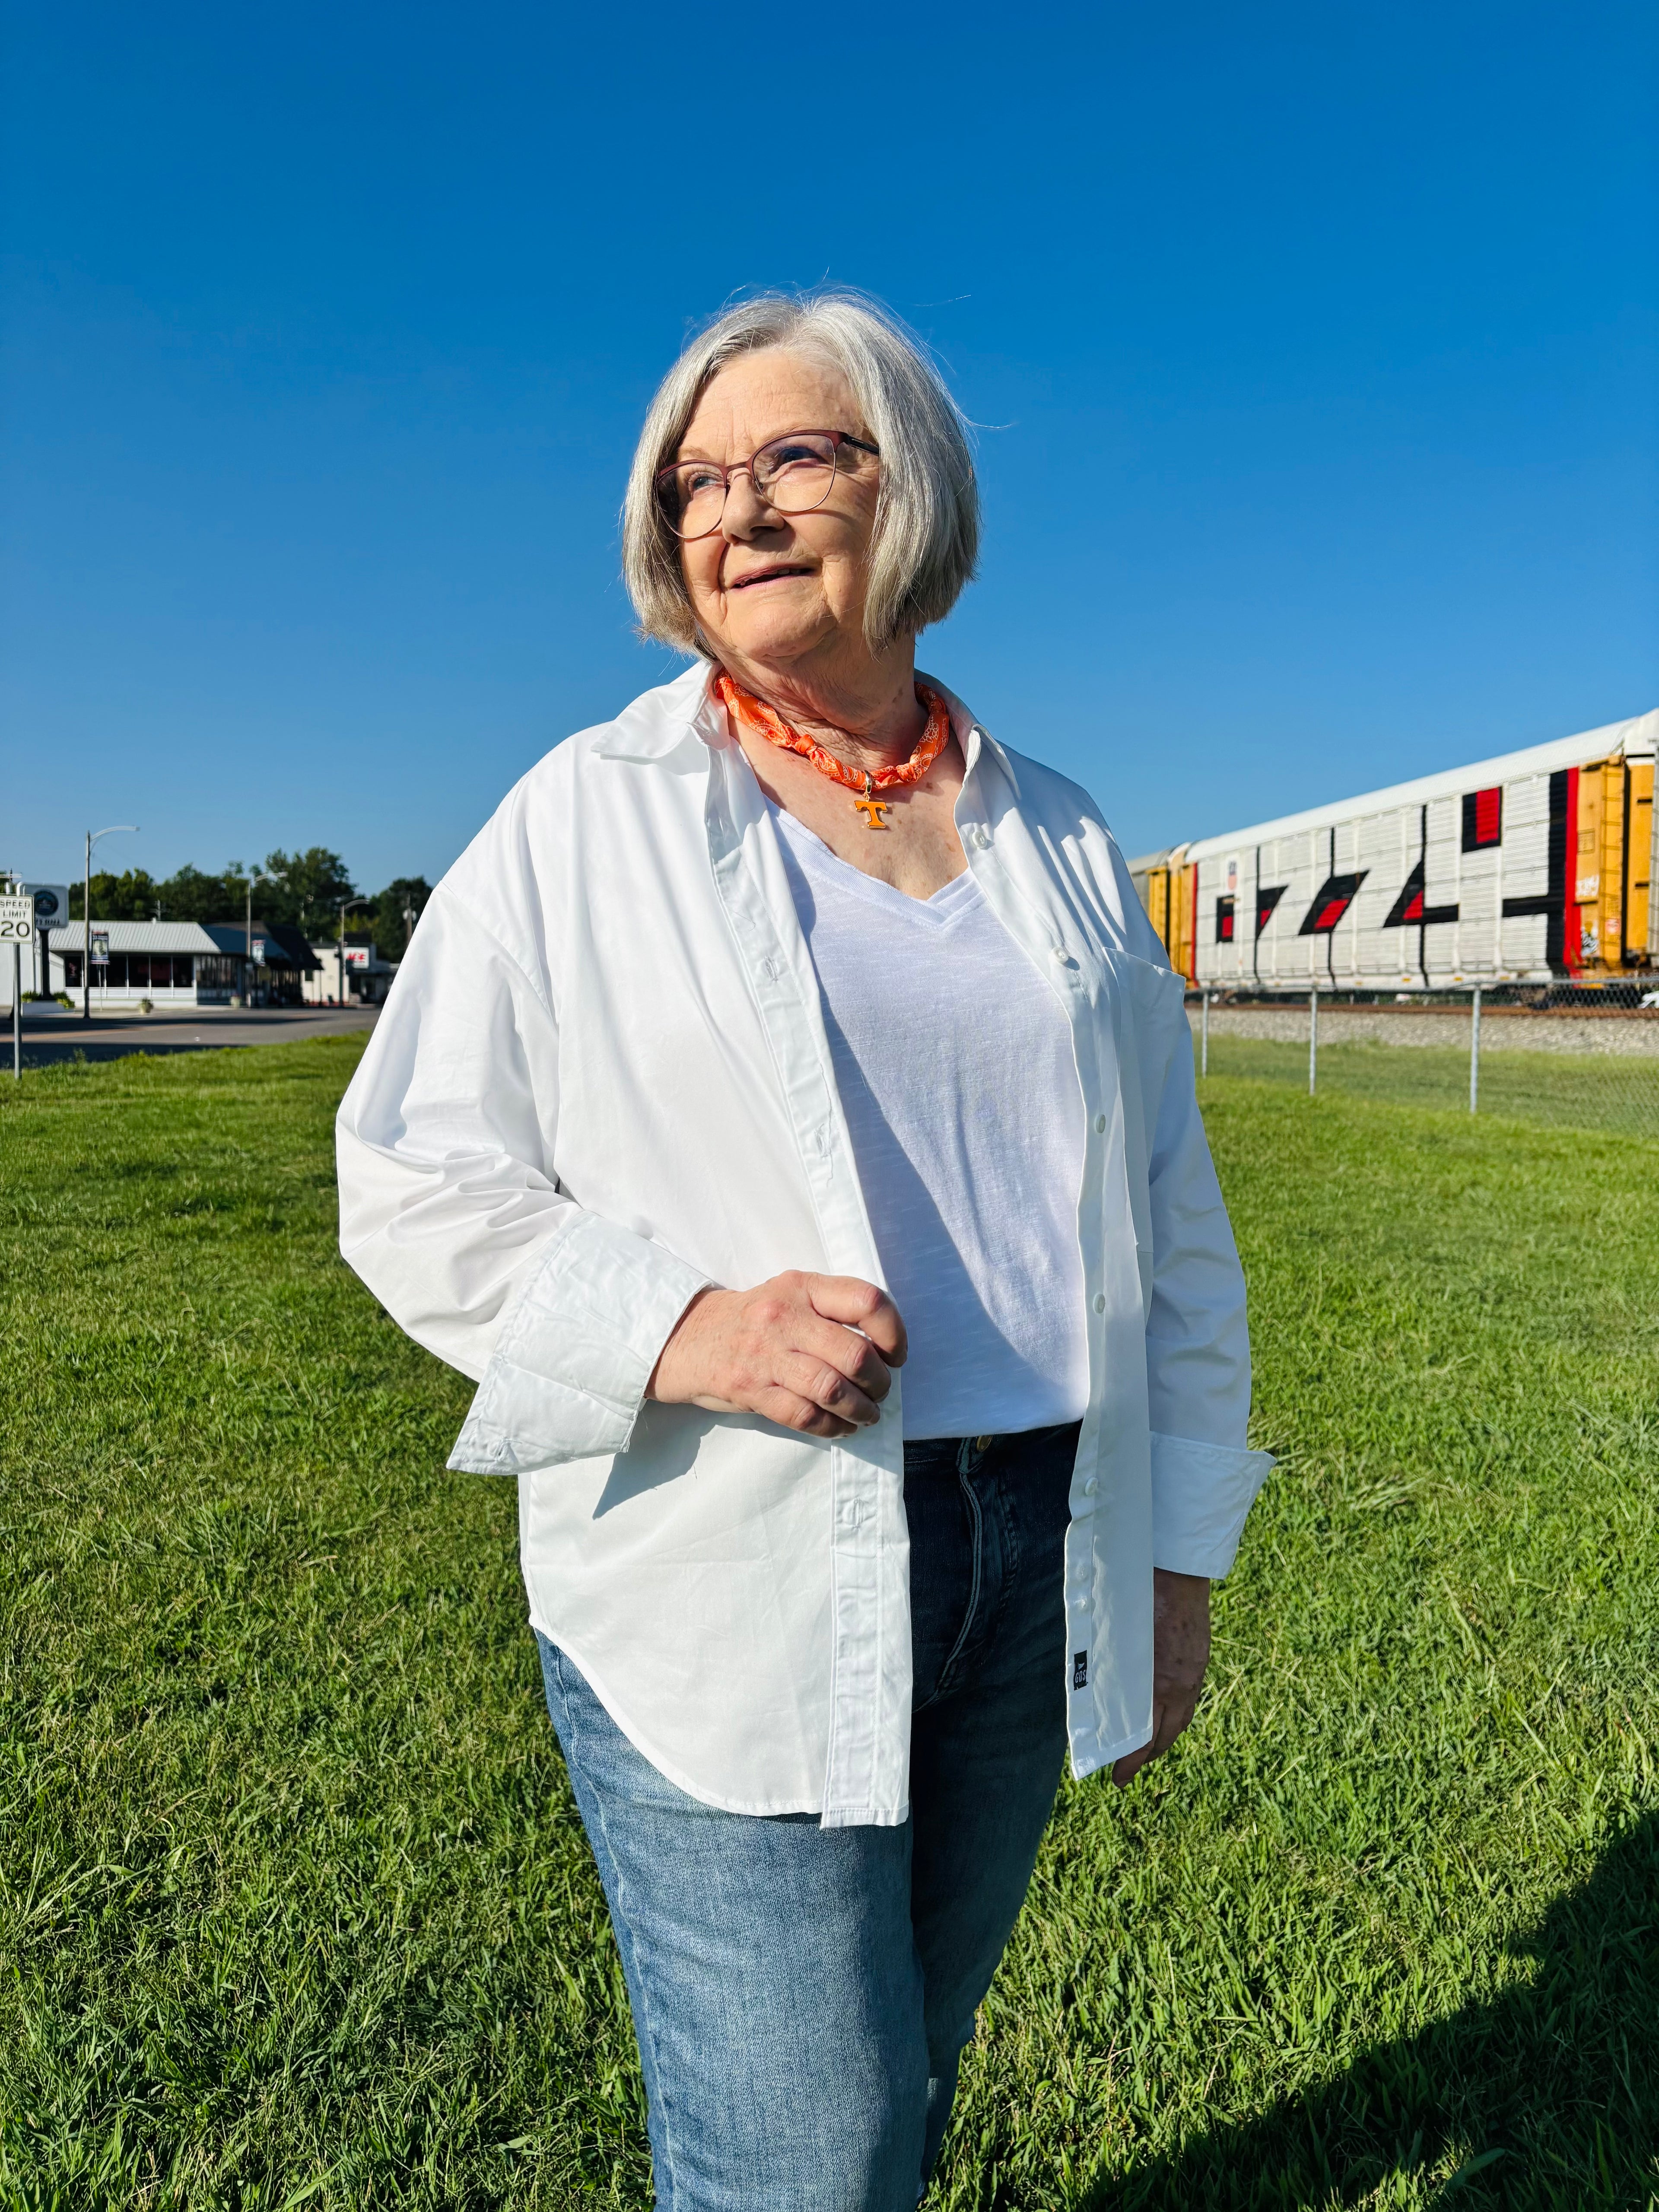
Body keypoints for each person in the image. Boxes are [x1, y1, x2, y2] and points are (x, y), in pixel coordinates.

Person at [337, 288, 1270, 2211]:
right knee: (805, 2154)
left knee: (903, 2081)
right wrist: (685, 1326)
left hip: (1035, 1543)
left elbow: (1171, 1217)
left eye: (791, 457)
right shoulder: (584, 820)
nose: (736, 507)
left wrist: (1173, 1565)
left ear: (907, 486)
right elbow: (409, 1169)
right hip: (733, 1556)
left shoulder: (1063, 838)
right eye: (695, 479)